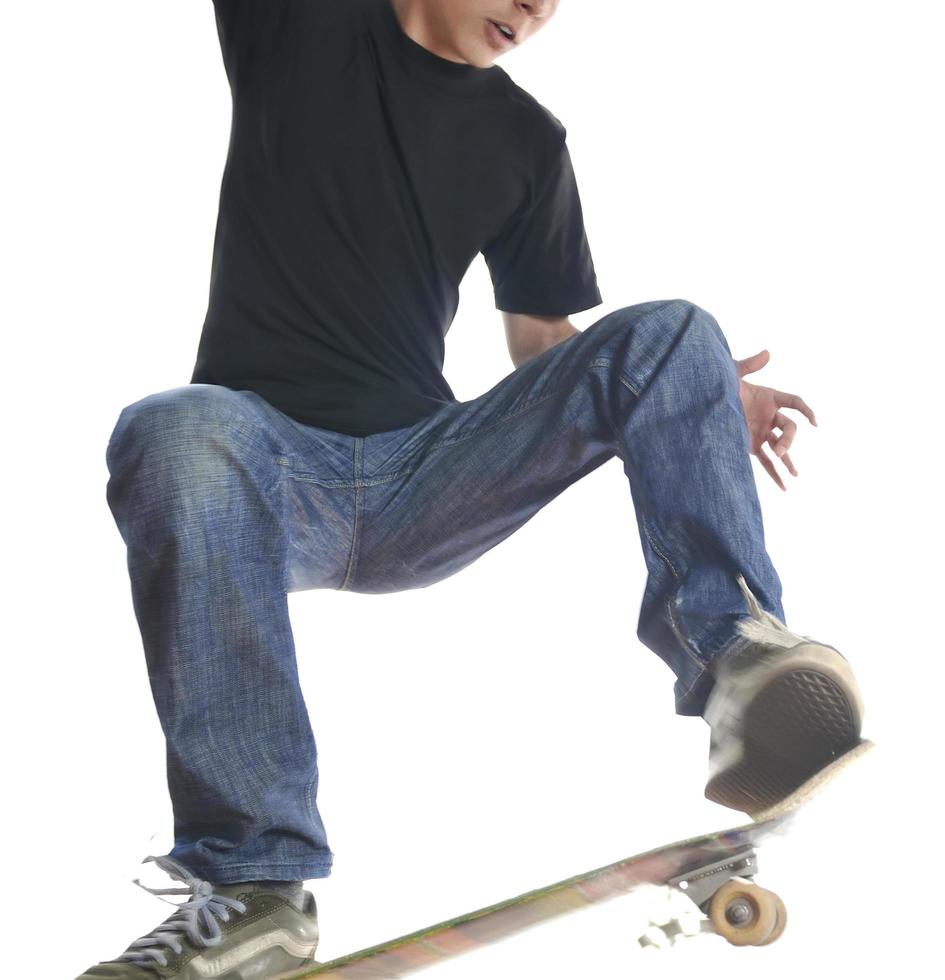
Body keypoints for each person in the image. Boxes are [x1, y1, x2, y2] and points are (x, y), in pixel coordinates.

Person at [81, 1, 864, 976]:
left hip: (431, 472)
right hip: (268, 473)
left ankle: (741, 666)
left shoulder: (527, 141)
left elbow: (540, 339)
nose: (536, 9)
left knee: (675, 332)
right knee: (176, 423)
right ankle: (252, 886)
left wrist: (694, 381)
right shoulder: (300, 29)